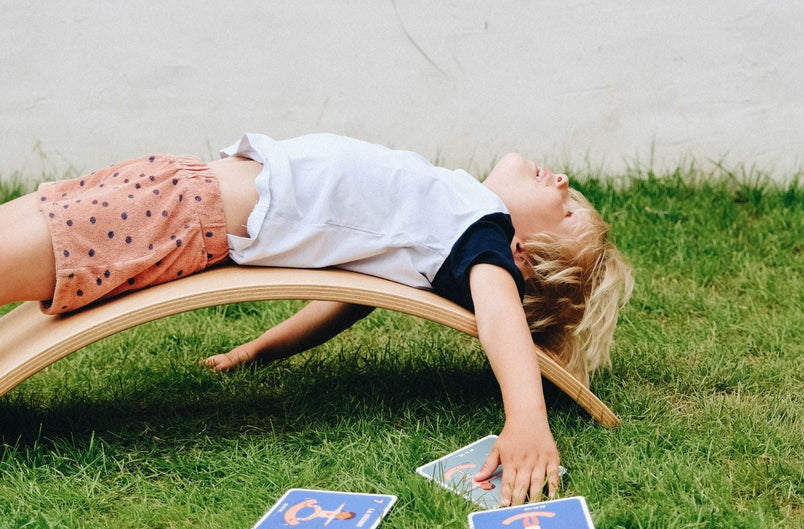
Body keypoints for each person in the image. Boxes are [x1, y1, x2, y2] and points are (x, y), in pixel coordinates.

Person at [0, 133, 633, 505]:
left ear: (526, 257)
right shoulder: (442, 220)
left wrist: (527, 420)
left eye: (570, 210)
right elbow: (348, 296)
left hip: (173, 214)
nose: (564, 182)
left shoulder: (482, 237)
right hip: (174, 183)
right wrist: (264, 349)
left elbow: (501, 321)